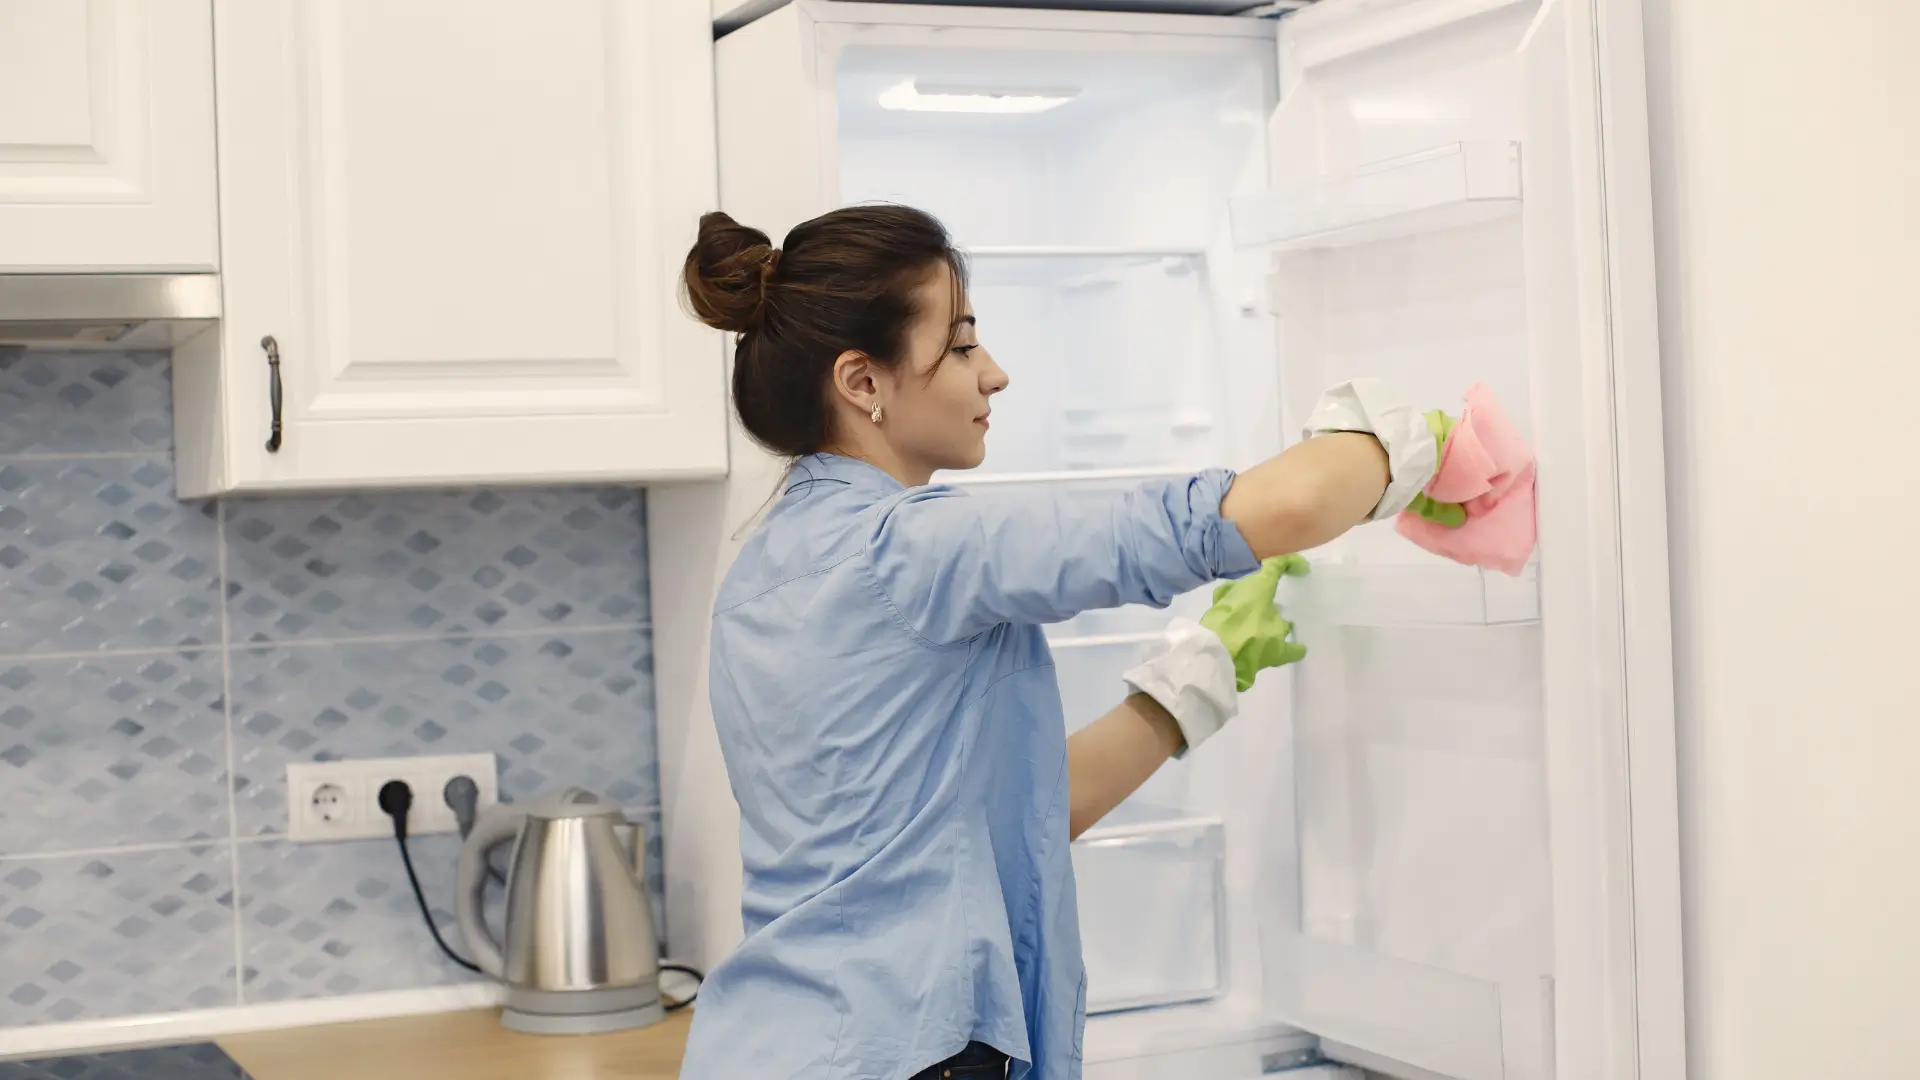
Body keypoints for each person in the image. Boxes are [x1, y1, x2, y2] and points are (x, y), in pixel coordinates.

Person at [674, 205, 1438, 1080]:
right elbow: (1255, 514)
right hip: (904, 1053)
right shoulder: (917, 549)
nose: (993, 374)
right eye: (960, 345)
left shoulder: (760, 571)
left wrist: (1195, 681)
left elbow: (1004, 816)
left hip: (769, 1045)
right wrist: (1402, 443)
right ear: (861, 381)